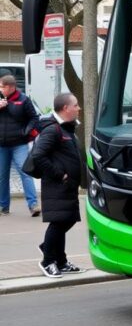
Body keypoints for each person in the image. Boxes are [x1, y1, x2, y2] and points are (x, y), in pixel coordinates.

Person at [35, 93, 84, 278]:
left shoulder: (67, 129)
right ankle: (48, 261)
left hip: (68, 185)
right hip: (58, 185)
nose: (79, 108)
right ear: (65, 108)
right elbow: (38, 156)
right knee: (58, 223)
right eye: (76, 105)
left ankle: (61, 261)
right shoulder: (52, 130)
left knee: (67, 219)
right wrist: (59, 174)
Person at [0, 74, 41, 216]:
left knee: (25, 172)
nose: (0, 89)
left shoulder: (23, 100)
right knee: (2, 176)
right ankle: (3, 206)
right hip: (2, 145)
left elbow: (34, 118)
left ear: (11, 87)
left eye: (2, 86)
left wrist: (26, 131)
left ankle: (33, 204)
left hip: (19, 144)